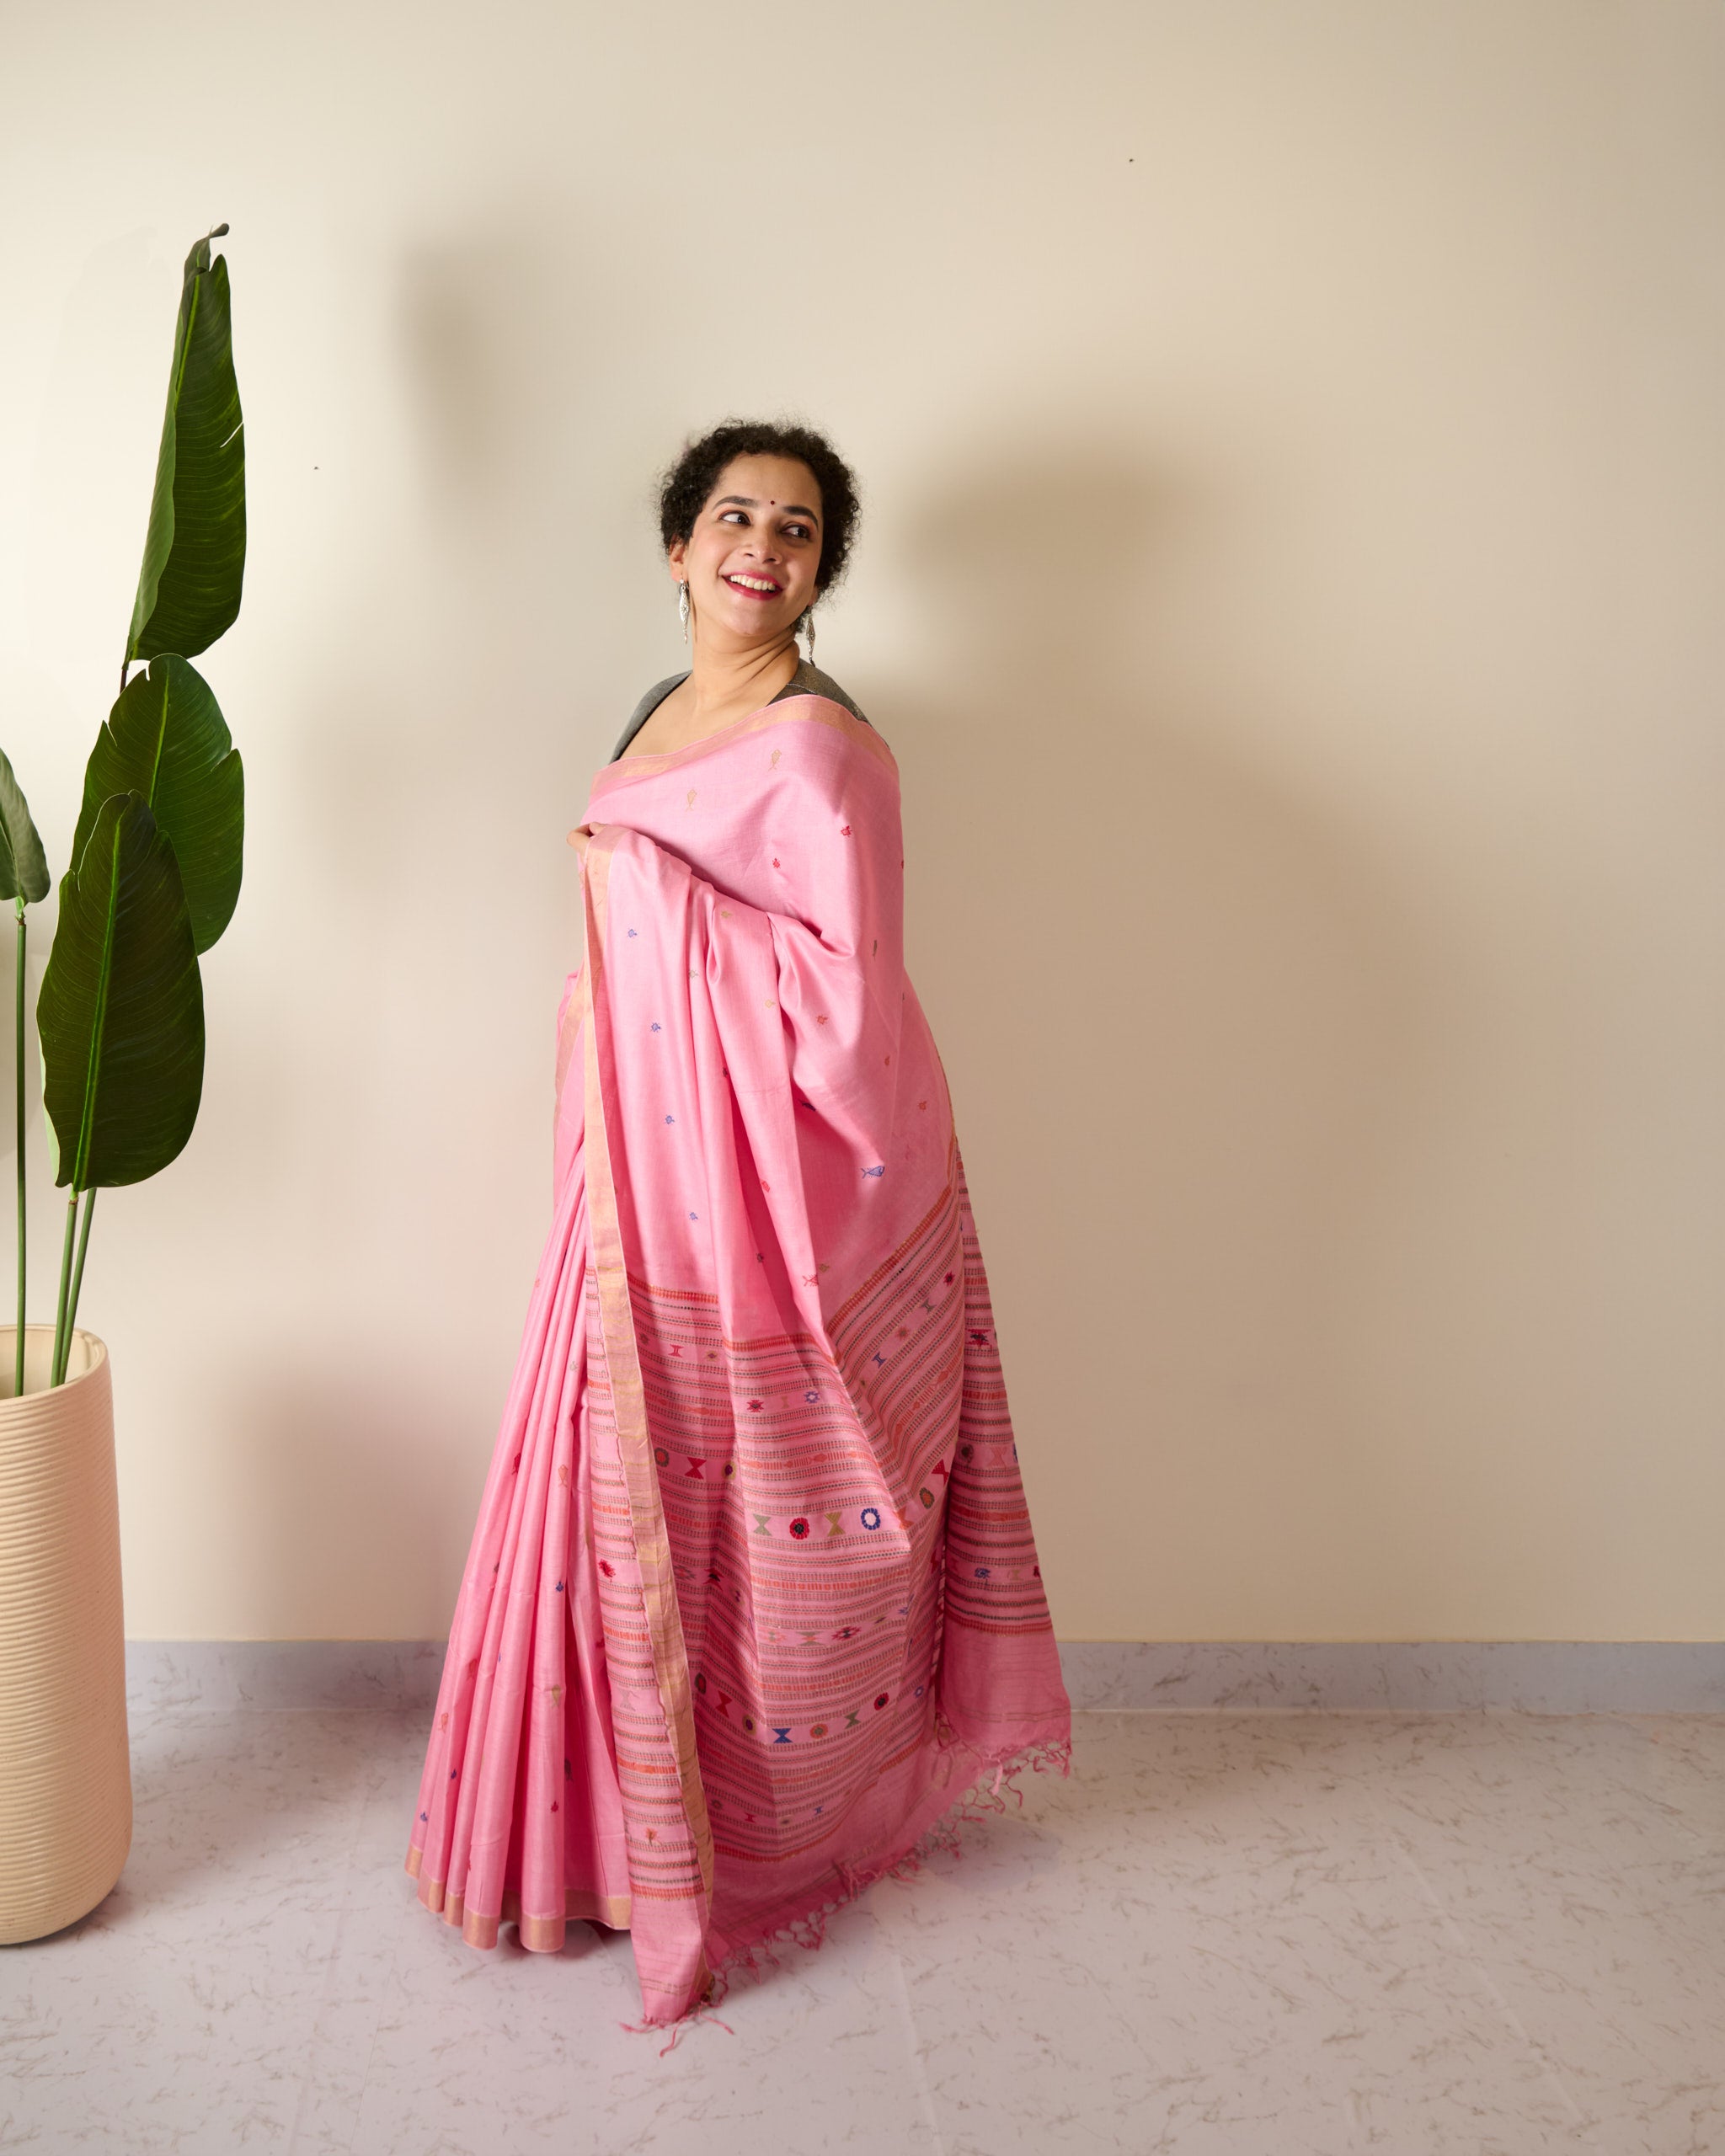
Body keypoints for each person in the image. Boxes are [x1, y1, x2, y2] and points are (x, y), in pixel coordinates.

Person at [405, 419, 1071, 2028]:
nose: (760, 548)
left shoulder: (823, 745)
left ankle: (749, 1840)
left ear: (822, 569)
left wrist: (642, 902)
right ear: (679, 545)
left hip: (770, 1192)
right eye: (733, 517)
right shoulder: (662, 711)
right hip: (638, 1166)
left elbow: (844, 1005)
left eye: (796, 529)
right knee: (604, 1470)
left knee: (746, 1494)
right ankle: (594, 1838)